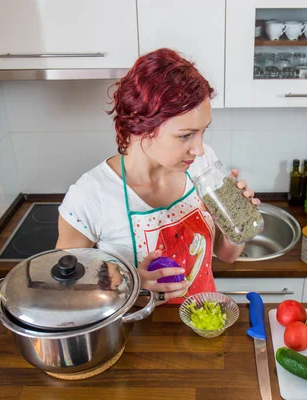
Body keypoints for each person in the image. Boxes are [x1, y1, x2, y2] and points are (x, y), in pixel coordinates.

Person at [56, 48, 260, 304]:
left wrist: (236, 222)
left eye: (202, 132)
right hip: (141, 336)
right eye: (186, 135)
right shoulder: (90, 195)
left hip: (204, 322)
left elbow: (227, 255)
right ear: (142, 127)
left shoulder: (203, 163)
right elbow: (65, 287)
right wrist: (132, 281)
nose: (198, 148)